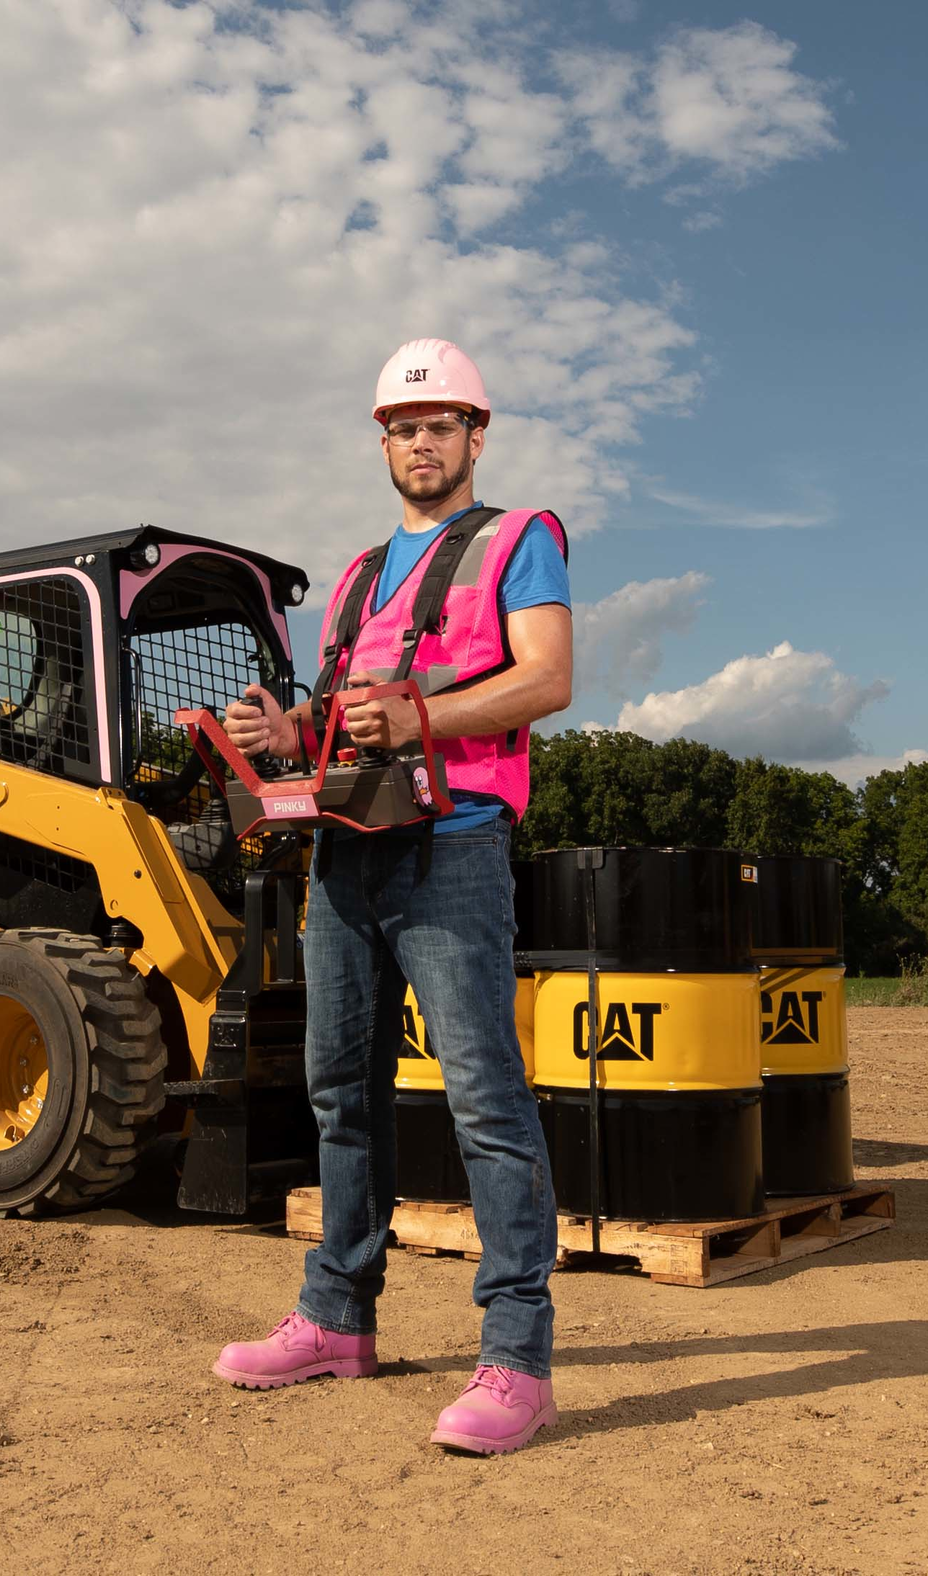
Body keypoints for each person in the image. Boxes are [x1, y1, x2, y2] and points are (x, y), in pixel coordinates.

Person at [211, 339, 573, 1455]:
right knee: (338, 1090)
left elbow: (547, 679)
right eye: (403, 427)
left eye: (441, 423)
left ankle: (517, 1356)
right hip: (346, 850)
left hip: (453, 846)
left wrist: (420, 716)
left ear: (477, 434)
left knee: (483, 1097)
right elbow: (339, 722)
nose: (422, 442)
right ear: (384, 443)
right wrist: (290, 733)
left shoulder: (521, 538)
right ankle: (337, 1315)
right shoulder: (362, 575)